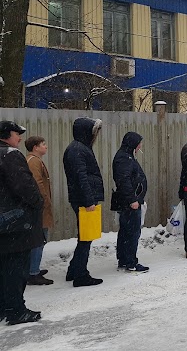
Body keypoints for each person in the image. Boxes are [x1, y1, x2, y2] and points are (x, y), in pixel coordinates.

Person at [0, 121, 44, 325]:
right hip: (15, 223)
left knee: (4, 267)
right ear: (7, 134)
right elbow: (24, 186)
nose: (19, 138)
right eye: (16, 133)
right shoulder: (10, 155)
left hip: (4, 223)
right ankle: (16, 311)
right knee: (16, 269)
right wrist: (38, 202)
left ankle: (4, 307)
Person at [63, 117, 104, 287]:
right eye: (94, 132)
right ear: (86, 132)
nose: (96, 136)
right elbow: (81, 178)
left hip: (84, 199)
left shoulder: (80, 148)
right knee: (86, 237)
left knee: (85, 237)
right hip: (84, 201)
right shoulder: (77, 150)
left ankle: (74, 270)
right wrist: (88, 201)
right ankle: (80, 275)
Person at [111, 132, 148, 273]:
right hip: (129, 202)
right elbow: (124, 180)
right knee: (131, 232)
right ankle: (130, 262)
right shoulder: (124, 158)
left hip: (129, 201)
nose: (140, 146)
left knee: (127, 231)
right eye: (139, 143)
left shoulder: (127, 156)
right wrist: (132, 199)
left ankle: (124, 259)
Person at [25, 136, 54, 285]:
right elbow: (37, 182)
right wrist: (45, 200)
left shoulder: (35, 160)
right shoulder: (34, 161)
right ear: (35, 147)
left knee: (39, 238)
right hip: (39, 207)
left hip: (39, 206)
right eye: (43, 144)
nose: (46, 146)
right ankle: (33, 272)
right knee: (39, 239)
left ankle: (33, 268)